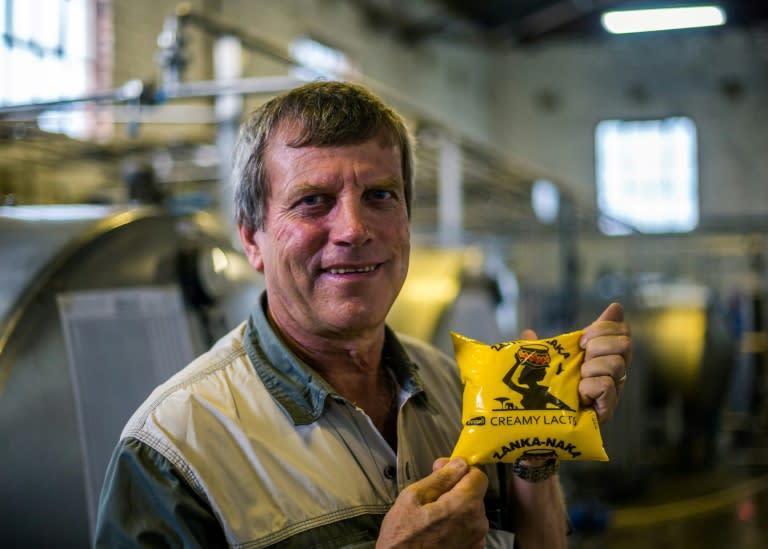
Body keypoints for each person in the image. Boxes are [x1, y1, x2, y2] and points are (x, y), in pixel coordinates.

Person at [94, 81, 632, 548]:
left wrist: (534, 452)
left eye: (379, 195)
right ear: (252, 239)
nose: (354, 229)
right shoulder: (173, 450)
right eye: (312, 201)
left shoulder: (461, 390)